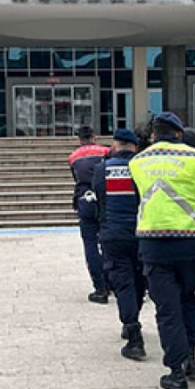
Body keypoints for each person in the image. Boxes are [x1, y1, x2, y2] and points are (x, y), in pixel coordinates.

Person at [129, 112, 195, 389]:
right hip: (191, 242)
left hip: (152, 243)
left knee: (166, 308)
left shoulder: (138, 161)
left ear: (154, 135)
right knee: (188, 299)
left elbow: (141, 198)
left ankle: (175, 371)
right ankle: (191, 358)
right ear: (179, 133)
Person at [93, 128, 147, 360]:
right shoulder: (143, 167)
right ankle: (133, 316)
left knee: (122, 281)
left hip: (113, 232)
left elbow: (99, 198)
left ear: (115, 146)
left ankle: (133, 331)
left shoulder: (102, 169)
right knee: (139, 279)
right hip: (141, 232)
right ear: (135, 147)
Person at [69, 126, 112, 304]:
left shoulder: (73, 157)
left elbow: (76, 178)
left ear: (80, 139)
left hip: (85, 200)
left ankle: (100, 288)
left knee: (90, 244)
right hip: (106, 200)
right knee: (109, 242)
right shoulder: (106, 151)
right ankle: (114, 281)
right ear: (95, 137)